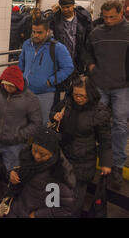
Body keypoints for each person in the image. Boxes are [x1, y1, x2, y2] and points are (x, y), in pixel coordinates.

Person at [0, 65, 42, 212]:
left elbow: (36, 123)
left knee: (14, 177)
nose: (6, 88)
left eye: (10, 86)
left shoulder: (30, 99)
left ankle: (11, 205)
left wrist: (19, 136)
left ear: (18, 84)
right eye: (4, 84)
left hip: (15, 146)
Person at [49, 75, 112, 217]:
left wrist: (106, 163)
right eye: (76, 94)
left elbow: (105, 141)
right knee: (54, 198)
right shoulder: (67, 103)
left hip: (82, 164)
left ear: (90, 93)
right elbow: (52, 113)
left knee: (73, 204)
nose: (78, 98)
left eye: (82, 96)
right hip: (62, 159)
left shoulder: (99, 112)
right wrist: (55, 116)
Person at [85, 0, 129, 187]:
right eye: (105, 17)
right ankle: (97, 157)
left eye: (112, 17)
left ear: (121, 14)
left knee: (120, 124)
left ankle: (117, 165)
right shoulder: (96, 33)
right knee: (97, 122)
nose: (108, 20)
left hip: (123, 86)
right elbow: (86, 53)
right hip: (101, 84)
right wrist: (92, 68)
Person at [5, 126, 76, 218]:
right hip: (16, 210)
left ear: (53, 153)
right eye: (34, 150)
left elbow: (65, 209)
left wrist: (37, 215)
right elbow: (18, 176)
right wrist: (11, 174)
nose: (37, 156)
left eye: (43, 154)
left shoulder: (57, 175)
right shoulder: (27, 159)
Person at [19, 18, 74, 125]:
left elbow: (68, 67)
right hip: (26, 91)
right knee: (24, 121)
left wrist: (51, 81)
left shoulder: (57, 47)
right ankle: (27, 142)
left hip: (45, 93)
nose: (36, 35)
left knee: (42, 122)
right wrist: (20, 78)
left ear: (48, 31)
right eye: (34, 32)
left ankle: (38, 142)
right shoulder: (27, 44)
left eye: (39, 32)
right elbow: (21, 63)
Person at [49, 0, 92, 77]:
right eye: (63, 7)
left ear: (73, 6)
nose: (65, 10)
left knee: (75, 84)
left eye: (68, 7)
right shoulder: (54, 19)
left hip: (78, 57)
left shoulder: (83, 19)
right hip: (60, 59)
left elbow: (89, 39)